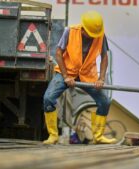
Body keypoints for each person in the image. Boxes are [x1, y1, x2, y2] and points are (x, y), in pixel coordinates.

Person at [43, 11, 116, 145]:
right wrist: (65, 76)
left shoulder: (100, 35)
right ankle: (53, 136)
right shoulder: (70, 32)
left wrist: (101, 79)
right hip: (67, 72)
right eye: (91, 34)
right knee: (48, 98)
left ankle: (98, 136)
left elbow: (104, 57)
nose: (94, 37)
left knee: (104, 102)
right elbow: (58, 53)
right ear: (83, 30)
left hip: (87, 74)